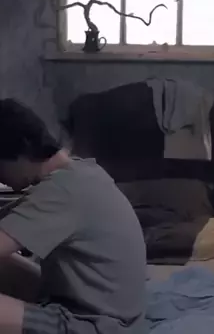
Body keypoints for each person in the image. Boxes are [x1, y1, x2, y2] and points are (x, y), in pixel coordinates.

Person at [0, 98, 148, 334]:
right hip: (118, 317)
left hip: (96, 325)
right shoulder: (79, 172)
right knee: (6, 264)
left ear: (21, 151)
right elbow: (13, 220)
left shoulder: (61, 192)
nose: (2, 179)